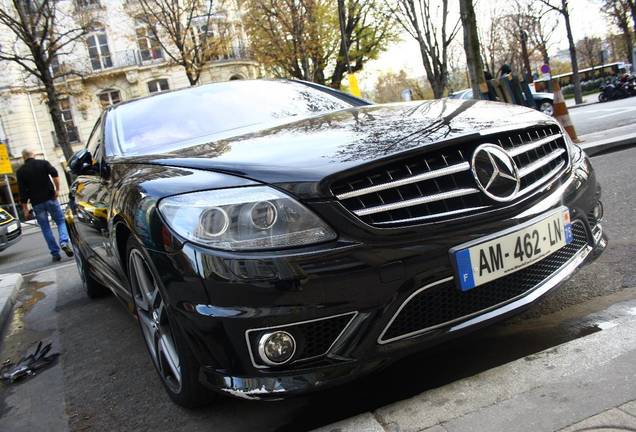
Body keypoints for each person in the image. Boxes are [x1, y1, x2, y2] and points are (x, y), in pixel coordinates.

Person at [17, 149, 73, 262]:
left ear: (23, 157)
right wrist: (57, 190)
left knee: (45, 228)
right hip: (50, 198)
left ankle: (55, 253)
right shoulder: (43, 163)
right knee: (61, 221)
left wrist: (25, 209)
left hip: (37, 203)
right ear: (33, 154)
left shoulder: (21, 171)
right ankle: (64, 242)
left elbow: (22, 192)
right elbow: (55, 174)